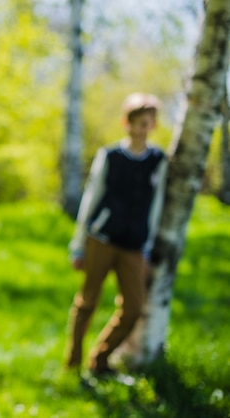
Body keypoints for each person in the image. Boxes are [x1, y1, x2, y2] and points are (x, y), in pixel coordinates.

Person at [65, 92, 168, 375]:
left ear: (153, 125)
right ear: (126, 123)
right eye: (135, 122)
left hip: (134, 245)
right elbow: (91, 198)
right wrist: (79, 245)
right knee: (87, 302)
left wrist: (146, 244)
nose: (139, 129)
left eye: (145, 123)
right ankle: (72, 362)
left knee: (134, 308)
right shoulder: (110, 155)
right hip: (101, 238)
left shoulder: (158, 160)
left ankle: (100, 360)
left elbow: (156, 205)